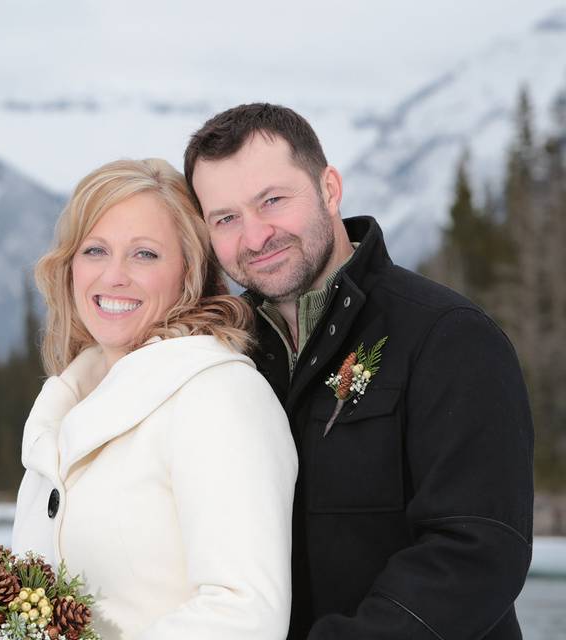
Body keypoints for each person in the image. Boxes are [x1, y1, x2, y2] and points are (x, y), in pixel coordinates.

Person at [184, 103, 534, 639]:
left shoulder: (446, 336)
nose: (254, 237)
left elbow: (477, 549)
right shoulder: (228, 362)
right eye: (226, 218)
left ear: (329, 188)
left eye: (273, 200)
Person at [11, 158, 298, 639]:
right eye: (95, 250)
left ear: (189, 270)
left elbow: (245, 612)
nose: (114, 276)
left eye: (144, 254)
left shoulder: (217, 396)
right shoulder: (64, 410)